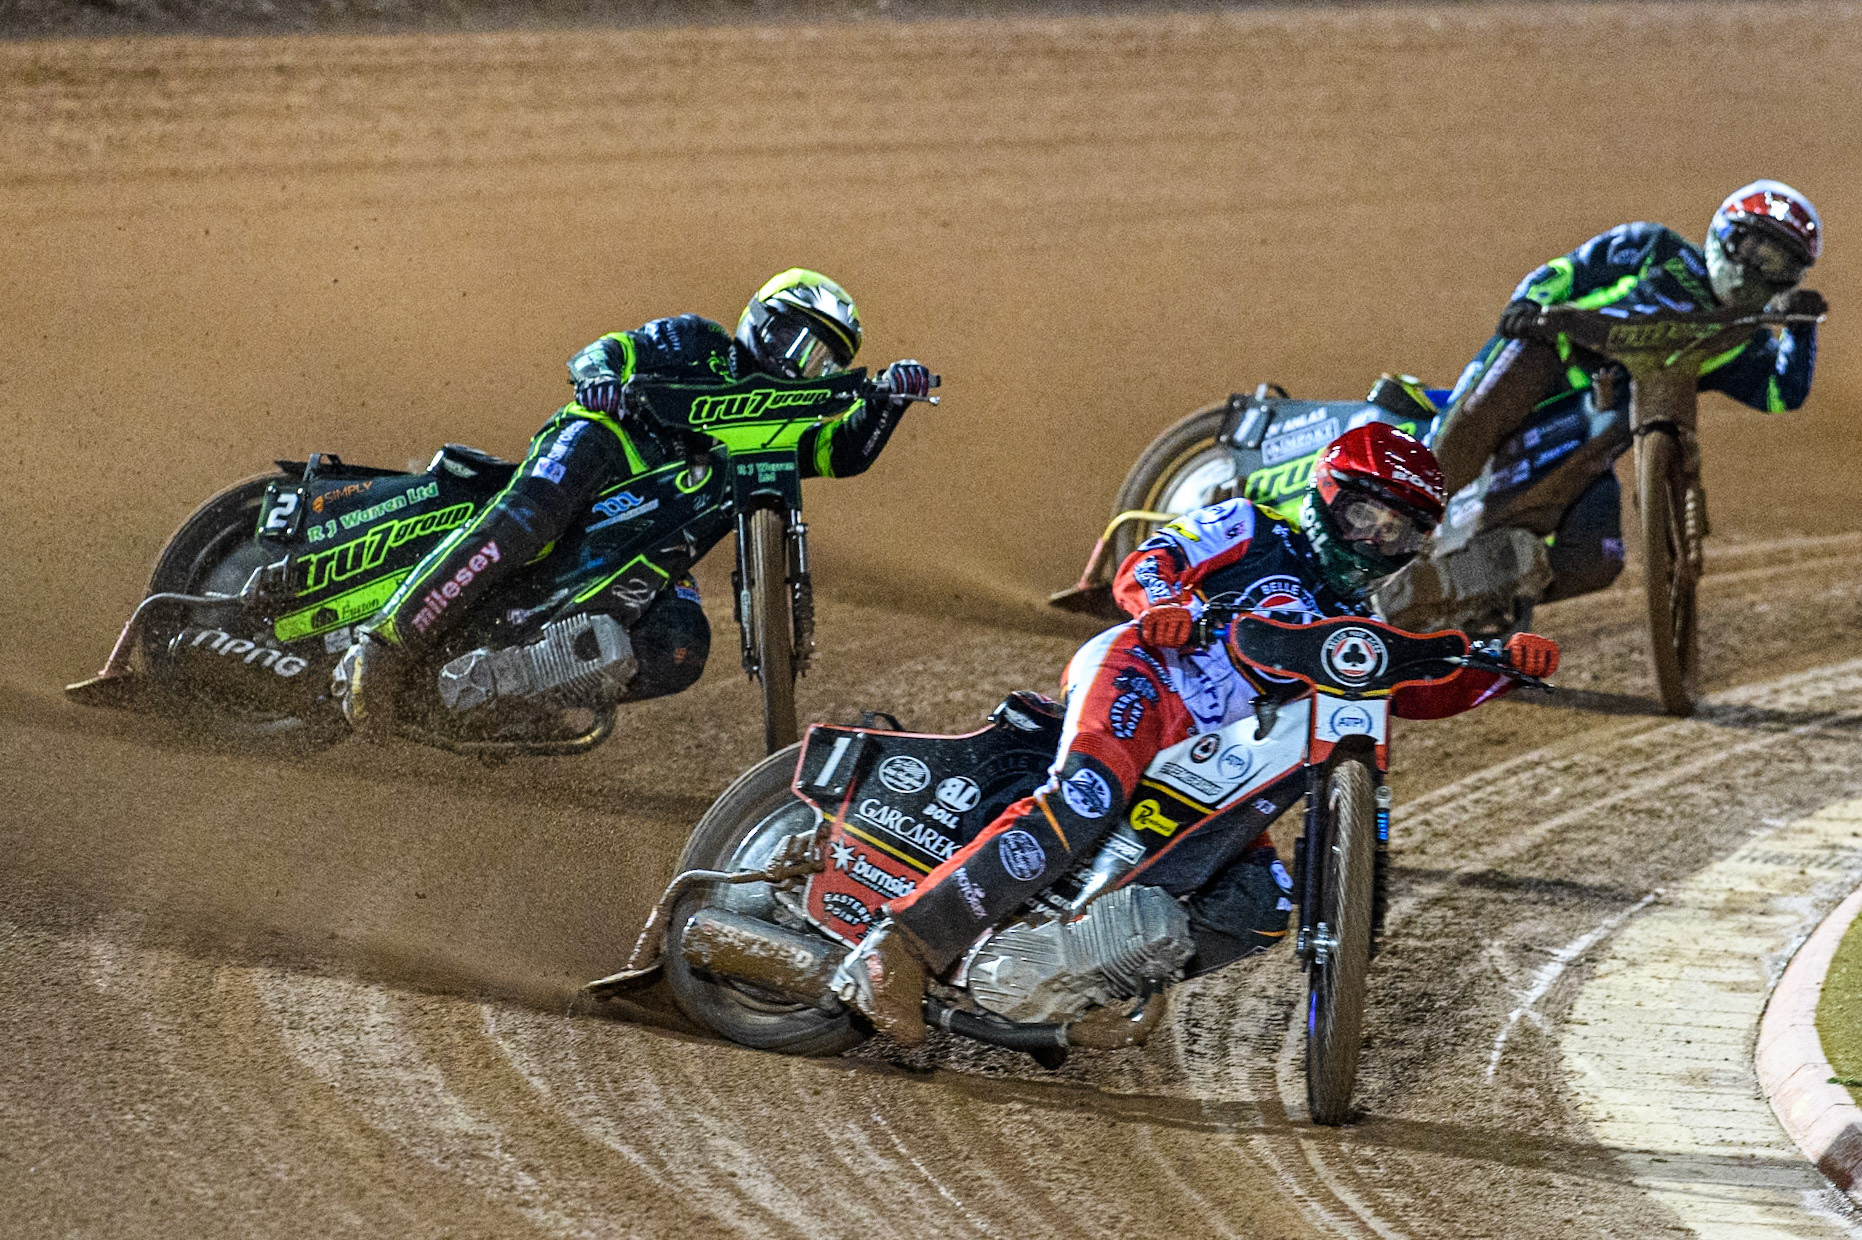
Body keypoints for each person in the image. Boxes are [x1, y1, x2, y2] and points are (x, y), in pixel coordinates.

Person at [835, 424, 1561, 1045]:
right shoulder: (1251, 526)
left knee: (1263, 904)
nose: (1372, 537)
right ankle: (899, 945)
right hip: (1148, 677)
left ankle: (1079, 977)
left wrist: (1500, 668)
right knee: (1085, 796)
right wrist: (1166, 604)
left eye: (1393, 529)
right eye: (1365, 513)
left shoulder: (1356, 632)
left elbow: (1418, 690)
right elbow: (1152, 560)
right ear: (1329, 495)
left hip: (1213, 763)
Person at [333, 269, 934, 733]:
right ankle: (385, 643)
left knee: (682, 645)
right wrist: (601, 382)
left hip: (646, 546)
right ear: (759, 320)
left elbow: (839, 451)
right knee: (533, 518)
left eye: (821, 359)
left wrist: (889, 401)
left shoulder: (778, 433)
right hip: (601, 445)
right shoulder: (699, 342)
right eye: (794, 338)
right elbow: (609, 351)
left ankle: (514, 690)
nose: (799, 361)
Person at [1431, 180, 1826, 495]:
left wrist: (1800, 328)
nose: (1755, 269)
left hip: (1605, 418)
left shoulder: (1744, 339)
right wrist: (1530, 302)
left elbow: (1780, 392)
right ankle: (1420, 482)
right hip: (1551, 358)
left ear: (1791, 279)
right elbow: (1571, 270)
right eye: (1753, 248)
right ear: (1724, 233)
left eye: (1776, 263)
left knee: (1597, 545)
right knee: (1511, 374)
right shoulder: (1656, 248)